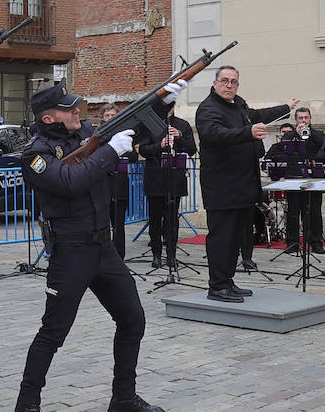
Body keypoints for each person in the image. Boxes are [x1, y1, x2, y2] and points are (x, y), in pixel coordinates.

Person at [13, 83, 172, 412]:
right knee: (54, 331)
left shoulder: (85, 132)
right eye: (69, 109)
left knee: (132, 318)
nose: (77, 113)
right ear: (48, 116)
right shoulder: (35, 154)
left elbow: (133, 127)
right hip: (71, 252)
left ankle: (124, 396)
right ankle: (26, 408)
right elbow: (71, 180)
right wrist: (110, 153)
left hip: (103, 246)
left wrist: (163, 102)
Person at [195, 66, 295, 303]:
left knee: (235, 237)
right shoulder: (208, 109)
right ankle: (217, 286)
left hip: (242, 186)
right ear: (215, 82)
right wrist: (247, 132)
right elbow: (214, 134)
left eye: (234, 82)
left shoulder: (238, 106)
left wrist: (286, 108)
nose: (229, 85)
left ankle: (227, 281)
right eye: (225, 81)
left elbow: (258, 116)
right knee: (221, 237)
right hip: (222, 187)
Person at [137, 100, 196, 269]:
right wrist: (159, 145)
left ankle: (171, 255)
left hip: (175, 178)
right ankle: (156, 254)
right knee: (155, 218)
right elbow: (142, 150)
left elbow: (192, 149)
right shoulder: (150, 125)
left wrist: (180, 137)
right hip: (155, 177)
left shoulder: (182, 125)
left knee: (172, 219)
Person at [270, 107, 325, 255]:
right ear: (296, 120)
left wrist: (310, 141)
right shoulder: (289, 135)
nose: (303, 121)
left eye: (306, 118)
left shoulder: (319, 135)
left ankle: (315, 242)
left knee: (314, 212)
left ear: (310, 119)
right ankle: (292, 242)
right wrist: (296, 134)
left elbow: (322, 152)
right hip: (294, 177)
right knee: (293, 211)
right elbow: (282, 153)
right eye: (300, 118)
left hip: (313, 178)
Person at [100, 105, 133, 260]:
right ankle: (104, 255)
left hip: (120, 186)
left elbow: (133, 156)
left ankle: (119, 256)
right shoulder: (97, 136)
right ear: (102, 117)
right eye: (107, 115)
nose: (110, 118)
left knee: (119, 225)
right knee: (102, 224)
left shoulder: (123, 135)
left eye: (113, 115)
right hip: (103, 187)